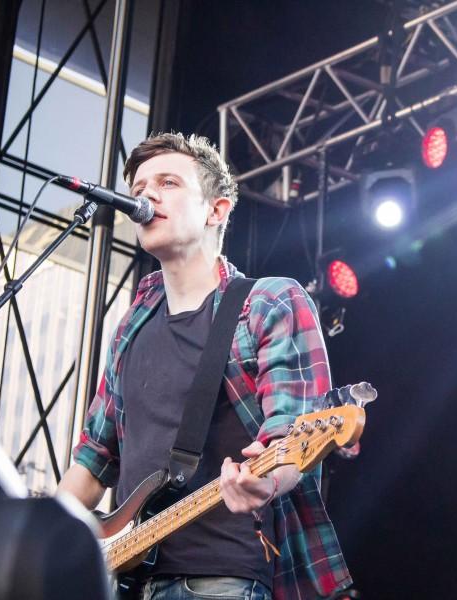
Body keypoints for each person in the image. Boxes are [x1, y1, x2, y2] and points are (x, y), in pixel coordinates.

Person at [57, 132, 351, 600]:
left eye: (168, 182)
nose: (147, 195)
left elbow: (290, 438)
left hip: (219, 580)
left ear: (218, 210)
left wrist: (267, 481)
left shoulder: (269, 303)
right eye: (138, 189)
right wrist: (39, 539)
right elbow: (94, 460)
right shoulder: (134, 321)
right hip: (126, 580)